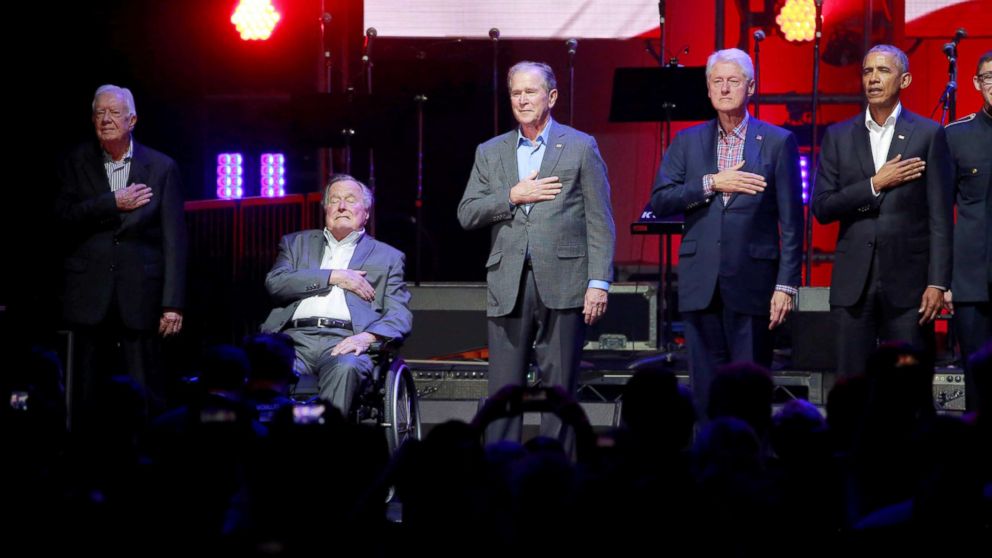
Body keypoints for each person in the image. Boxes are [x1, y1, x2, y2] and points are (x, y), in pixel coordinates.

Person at [457, 60, 616, 444]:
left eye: (531, 91)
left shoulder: (580, 146)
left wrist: (598, 282)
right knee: (503, 390)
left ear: (552, 96)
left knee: (559, 388)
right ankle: (499, 475)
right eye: (516, 92)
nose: (523, 99)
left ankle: (557, 479)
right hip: (508, 281)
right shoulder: (491, 151)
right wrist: (512, 196)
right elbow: (467, 213)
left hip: (565, 279)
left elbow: (600, 219)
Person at [650, 48, 803, 415]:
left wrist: (786, 285)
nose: (724, 88)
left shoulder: (778, 141)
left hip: (753, 282)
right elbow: (660, 200)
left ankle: (752, 465)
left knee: (750, 393)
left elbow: (793, 222)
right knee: (705, 392)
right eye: (716, 81)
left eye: (732, 81)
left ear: (751, 86)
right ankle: (707, 463)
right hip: (700, 281)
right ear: (707, 89)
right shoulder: (687, 141)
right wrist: (711, 182)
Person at [812, 44, 954, 375]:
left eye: (883, 71)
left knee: (908, 387)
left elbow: (940, 218)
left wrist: (937, 282)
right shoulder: (838, 136)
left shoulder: (928, 134)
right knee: (852, 387)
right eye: (867, 71)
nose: (873, 78)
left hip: (910, 286)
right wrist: (875, 184)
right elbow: (822, 207)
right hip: (853, 285)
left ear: (905, 80)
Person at [55, 84, 187, 423]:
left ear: (132, 119)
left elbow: (174, 239)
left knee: (146, 391)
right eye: (100, 112)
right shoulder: (74, 162)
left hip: (140, 292)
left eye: (114, 113)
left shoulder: (161, 167)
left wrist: (172, 303)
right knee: (83, 391)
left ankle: (149, 458)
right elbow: (61, 219)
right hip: (87, 293)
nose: (106, 119)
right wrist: (111, 203)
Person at [261, 174, 412, 417]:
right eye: (334, 200)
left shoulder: (388, 257)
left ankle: (326, 443)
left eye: (350, 200)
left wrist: (366, 337)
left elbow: (399, 315)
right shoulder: (296, 244)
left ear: (366, 212)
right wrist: (334, 276)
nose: (341, 206)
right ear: (326, 209)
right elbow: (276, 283)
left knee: (346, 368)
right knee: (262, 363)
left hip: (345, 340)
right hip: (292, 340)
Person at [944, 50, 992, 410]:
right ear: (977, 83)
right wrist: (941, 280)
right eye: (989, 77)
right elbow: (939, 215)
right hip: (971, 282)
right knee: (977, 379)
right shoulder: (955, 136)